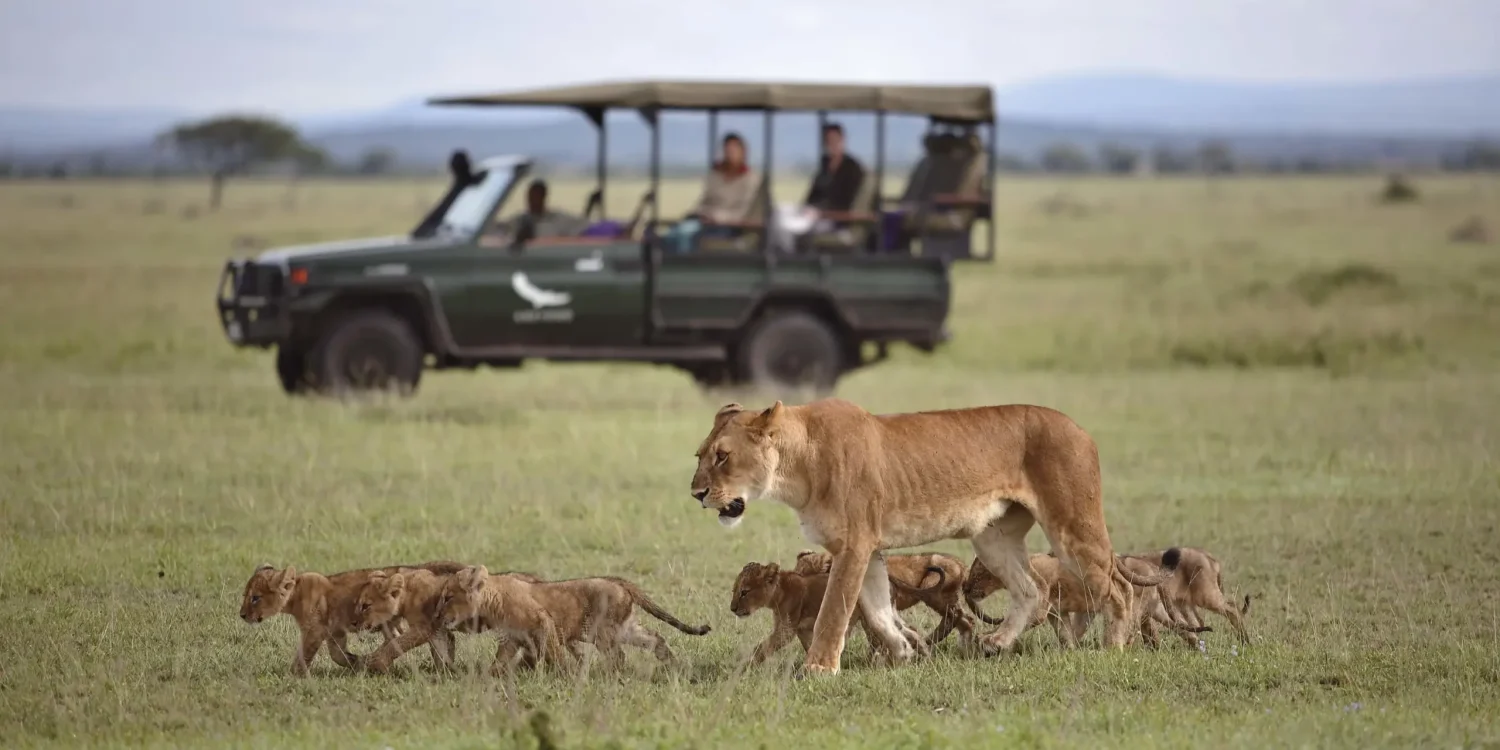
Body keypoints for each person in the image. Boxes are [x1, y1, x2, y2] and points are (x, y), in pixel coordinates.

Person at [770, 122, 867, 252]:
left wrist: (821, 213)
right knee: (778, 215)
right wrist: (806, 209)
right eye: (828, 140)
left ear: (842, 140)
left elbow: (847, 203)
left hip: (833, 219)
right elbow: (813, 194)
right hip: (813, 213)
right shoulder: (825, 166)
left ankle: (790, 258)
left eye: (834, 140)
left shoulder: (853, 169)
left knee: (791, 230)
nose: (831, 144)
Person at [666, 132, 761, 253]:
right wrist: (700, 213)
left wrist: (718, 217)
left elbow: (743, 211)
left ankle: (686, 266)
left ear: (743, 152)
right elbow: (705, 200)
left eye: (734, 150)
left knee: (685, 235)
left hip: (729, 225)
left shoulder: (750, 179)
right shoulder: (715, 175)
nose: (730, 154)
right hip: (704, 218)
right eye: (727, 150)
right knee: (673, 234)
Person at [494, 179, 587, 241]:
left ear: (544, 197)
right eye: (530, 197)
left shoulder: (557, 220)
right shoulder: (519, 220)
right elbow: (500, 230)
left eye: (536, 197)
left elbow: (582, 227)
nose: (532, 200)